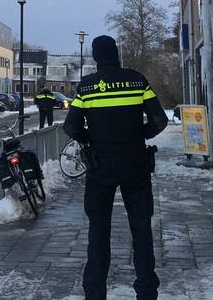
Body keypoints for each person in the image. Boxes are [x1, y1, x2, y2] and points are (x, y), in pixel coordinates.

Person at [63, 35, 169, 300]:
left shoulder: (87, 87)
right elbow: (159, 120)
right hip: (135, 164)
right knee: (141, 229)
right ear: (116, 54)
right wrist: (140, 134)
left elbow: (71, 126)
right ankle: (147, 292)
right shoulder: (136, 80)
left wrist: (90, 139)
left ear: (95, 56)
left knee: (98, 232)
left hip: (100, 168)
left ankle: (95, 293)